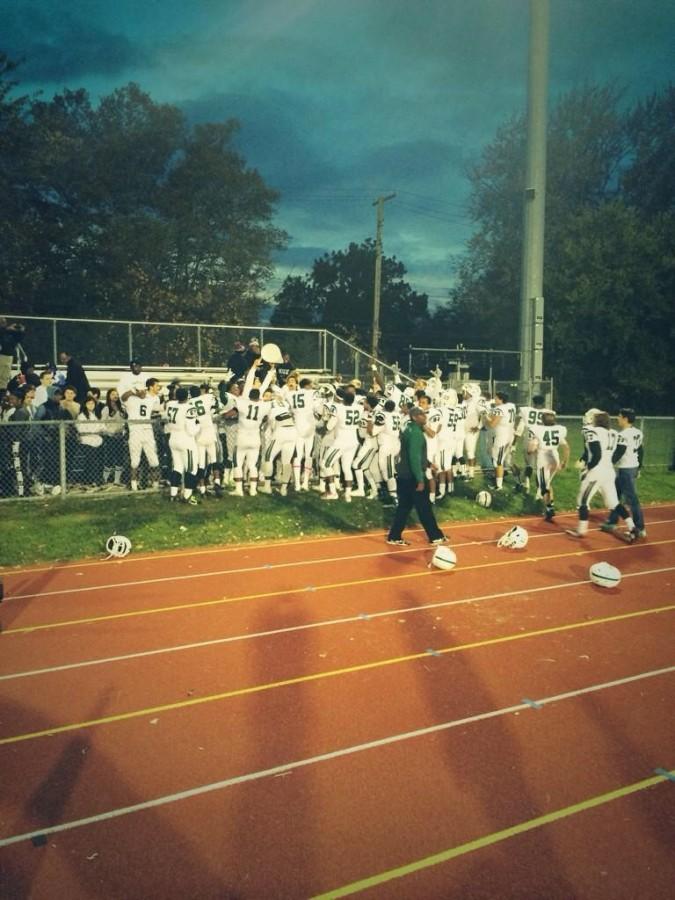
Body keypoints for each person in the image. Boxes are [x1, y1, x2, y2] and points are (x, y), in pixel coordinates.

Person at [566, 410, 637, 541]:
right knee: (614, 503)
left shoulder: (592, 432)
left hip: (596, 472)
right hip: (609, 472)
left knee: (582, 502)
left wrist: (589, 467)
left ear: (595, 421)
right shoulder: (615, 433)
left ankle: (581, 530)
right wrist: (611, 461)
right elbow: (622, 447)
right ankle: (632, 527)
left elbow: (596, 454)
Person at [386, 406, 448, 546]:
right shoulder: (416, 434)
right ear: (414, 417)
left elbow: (412, 453)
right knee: (424, 507)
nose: (424, 416)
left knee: (404, 507)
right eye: (421, 414)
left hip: (403, 474)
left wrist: (428, 463)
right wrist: (420, 479)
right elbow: (414, 457)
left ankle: (394, 536)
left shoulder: (409, 429)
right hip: (412, 476)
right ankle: (435, 536)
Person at [601, 408, 646, 540]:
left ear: (625, 418)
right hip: (631, 467)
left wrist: (607, 463)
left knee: (632, 500)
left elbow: (619, 451)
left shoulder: (623, 435)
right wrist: (639, 467)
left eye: (619, 416)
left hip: (625, 469)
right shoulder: (637, 432)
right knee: (615, 495)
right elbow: (640, 450)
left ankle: (640, 527)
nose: (617, 418)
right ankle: (612, 521)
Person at [526, 411, 569, 521]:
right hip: (555, 457)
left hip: (543, 458)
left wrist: (530, 451)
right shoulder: (559, 430)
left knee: (544, 486)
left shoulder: (538, 430)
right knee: (547, 483)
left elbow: (532, 448)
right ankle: (551, 504)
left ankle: (549, 508)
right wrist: (565, 461)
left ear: (542, 421)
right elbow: (566, 447)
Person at [0, 318, 26, 389]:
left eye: (4, 322)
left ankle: (3, 389)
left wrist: (21, 330)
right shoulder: (4, 332)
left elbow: (20, 337)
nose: (3, 324)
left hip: (9, 356)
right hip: (1, 355)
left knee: (5, 375)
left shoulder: (11, 333)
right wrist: (8, 329)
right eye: (2, 322)